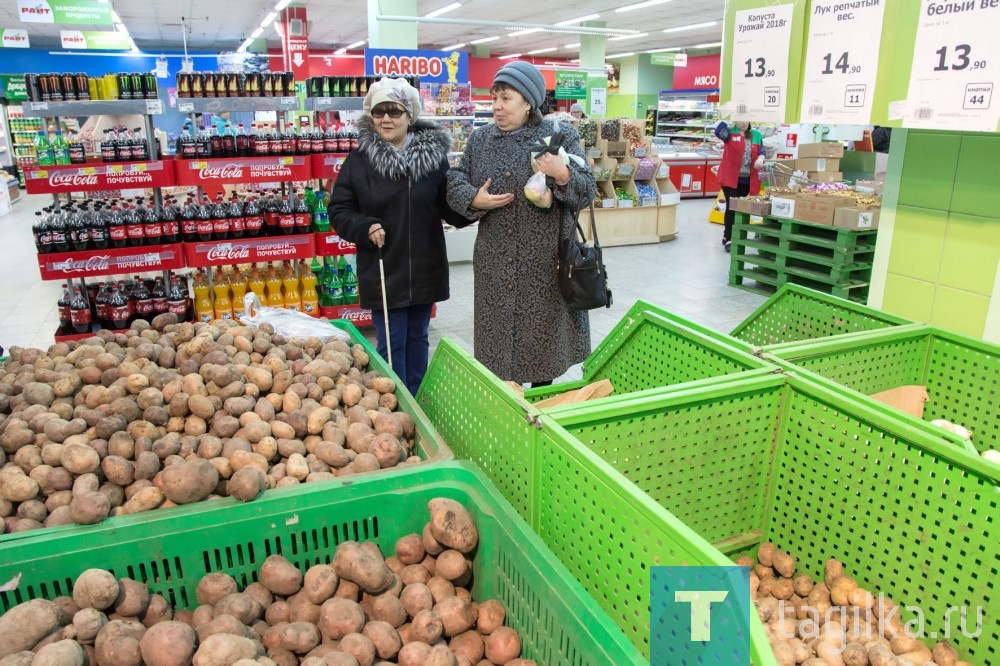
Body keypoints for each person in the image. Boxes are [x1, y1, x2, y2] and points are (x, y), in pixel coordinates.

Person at [447, 61, 597, 387]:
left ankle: (539, 413)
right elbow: (454, 181)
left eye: (507, 98)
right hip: (495, 265)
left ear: (528, 101)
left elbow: (587, 190)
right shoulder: (480, 140)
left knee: (542, 352)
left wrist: (563, 173)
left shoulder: (560, 136)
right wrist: (474, 199)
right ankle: (505, 411)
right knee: (498, 356)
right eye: (494, 98)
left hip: (545, 266)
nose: (497, 107)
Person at [329, 77, 472, 395]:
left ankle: (418, 401)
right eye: (379, 111)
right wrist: (365, 226)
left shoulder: (433, 160)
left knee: (419, 339)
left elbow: (448, 206)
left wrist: (475, 205)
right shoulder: (358, 162)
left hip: (425, 267)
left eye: (394, 111)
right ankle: (394, 404)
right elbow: (339, 211)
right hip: (383, 268)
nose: (386, 118)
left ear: (410, 116)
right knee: (392, 344)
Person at [715, 120, 763, 252]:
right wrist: (727, 122)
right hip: (730, 178)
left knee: (739, 208)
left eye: (746, 120)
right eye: (740, 119)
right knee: (732, 206)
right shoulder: (729, 133)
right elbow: (718, 131)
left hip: (747, 178)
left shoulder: (756, 134)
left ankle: (727, 235)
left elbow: (762, 150)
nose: (743, 123)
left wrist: (761, 158)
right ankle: (730, 239)